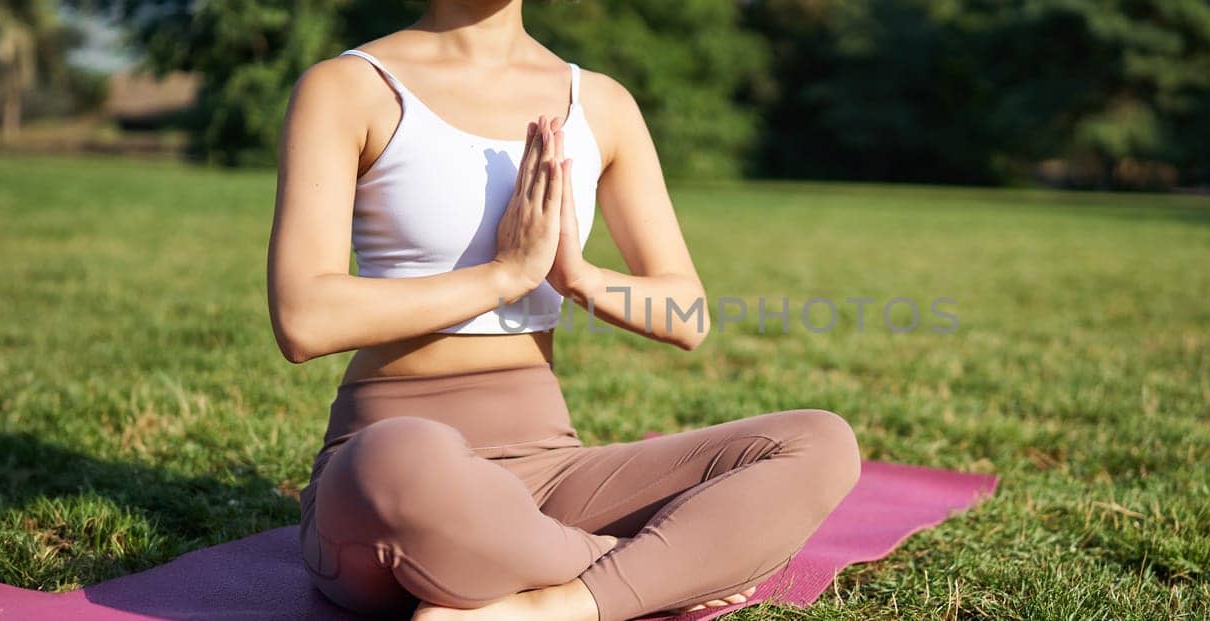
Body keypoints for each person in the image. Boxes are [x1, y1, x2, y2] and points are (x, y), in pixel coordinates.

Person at [264, 1, 861, 619]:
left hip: (550, 474)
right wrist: (505, 275)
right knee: (393, 462)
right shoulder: (349, 87)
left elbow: (685, 314)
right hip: (397, 464)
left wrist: (579, 278)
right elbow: (306, 319)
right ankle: (650, 568)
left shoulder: (600, 103)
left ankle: (561, 604)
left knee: (820, 441)